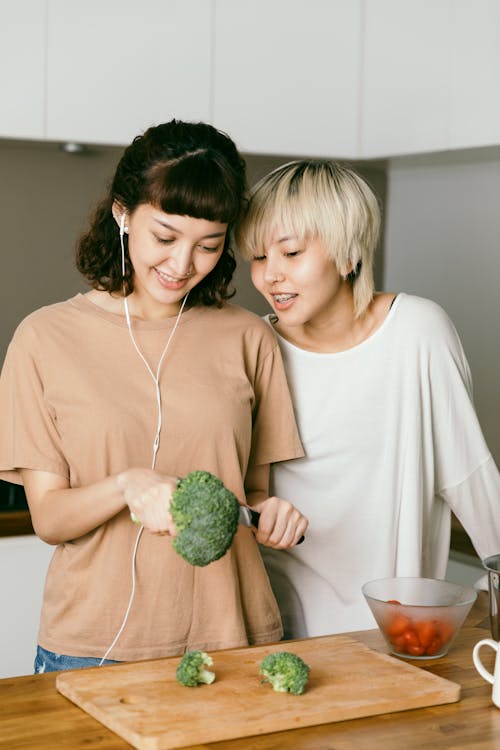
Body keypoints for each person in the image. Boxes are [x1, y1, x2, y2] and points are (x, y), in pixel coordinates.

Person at [0, 120, 308, 673]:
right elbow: (49, 518)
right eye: (164, 237)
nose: (182, 264)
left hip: (233, 638)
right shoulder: (43, 337)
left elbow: (252, 492)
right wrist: (127, 485)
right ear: (122, 213)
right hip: (91, 648)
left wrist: (273, 515)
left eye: (209, 245)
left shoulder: (249, 337)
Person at [236, 159, 500, 639]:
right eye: (257, 257)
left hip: (396, 632)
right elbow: (243, 489)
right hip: (277, 629)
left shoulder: (417, 331)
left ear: (348, 254)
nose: (269, 276)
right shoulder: (253, 345)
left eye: (290, 252)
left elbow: (471, 478)